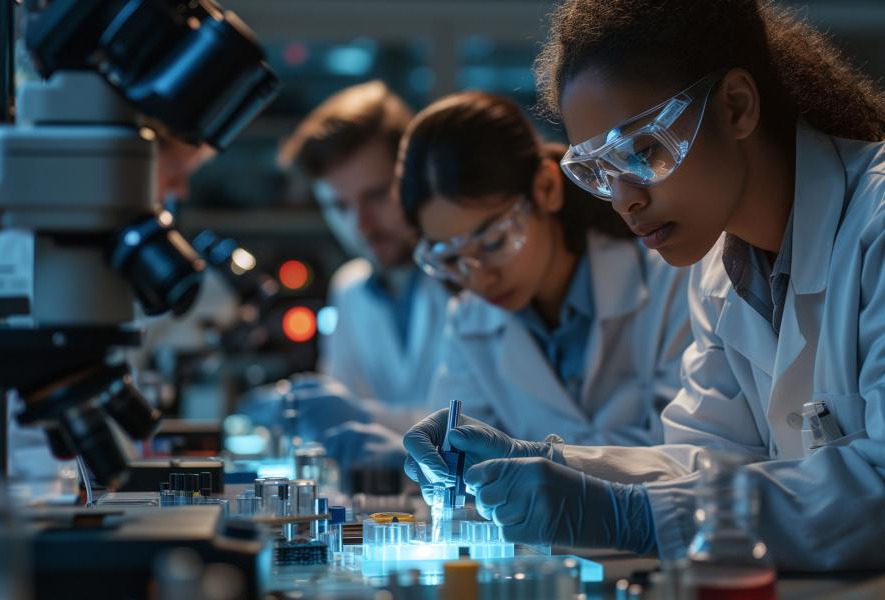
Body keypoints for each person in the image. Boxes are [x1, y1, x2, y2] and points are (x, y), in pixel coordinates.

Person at [404, 0, 885, 570]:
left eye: (643, 151)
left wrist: (627, 516)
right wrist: (553, 463)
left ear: (735, 106)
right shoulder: (719, 271)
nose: (623, 200)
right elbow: (714, 462)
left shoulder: (875, 223)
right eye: (599, 172)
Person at [397, 91, 690, 446]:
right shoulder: (470, 322)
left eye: (493, 243)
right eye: (450, 259)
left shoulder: (668, 279)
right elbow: (459, 456)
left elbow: (687, 450)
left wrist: (549, 468)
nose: (478, 278)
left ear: (546, 188)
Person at [275, 81, 450, 466]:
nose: (361, 225)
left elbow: (482, 425)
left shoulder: (472, 277)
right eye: (339, 206)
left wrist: (362, 416)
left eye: (376, 195)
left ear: (415, 177)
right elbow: (338, 439)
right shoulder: (348, 289)